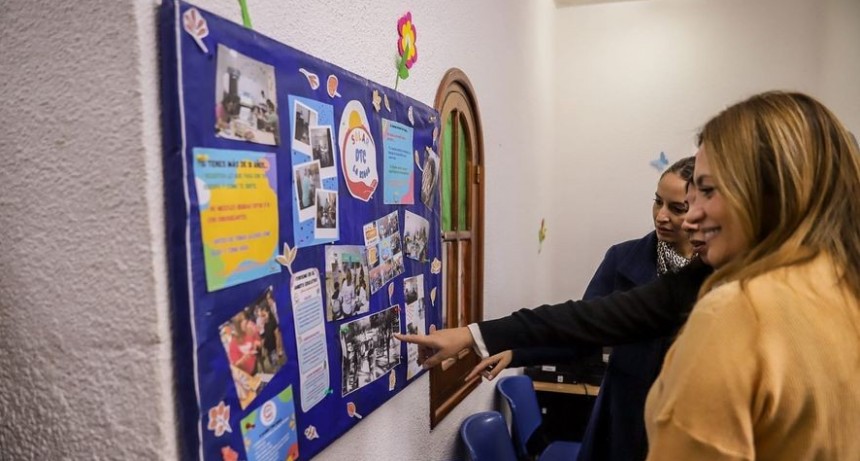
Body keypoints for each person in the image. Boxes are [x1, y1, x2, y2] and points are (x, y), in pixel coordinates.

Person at [399, 91, 860, 460]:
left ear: (771, 192)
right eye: (671, 202)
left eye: (706, 192)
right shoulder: (838, 290)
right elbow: (589, 317)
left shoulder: (736, 309)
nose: (687, 218)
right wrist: (482, 335)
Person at [473, 156, 696, 461]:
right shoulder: (622, 259)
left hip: (685, 421)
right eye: (658, 202)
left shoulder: (719, 271)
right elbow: (580, 329)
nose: (661, 216)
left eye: (676, 208)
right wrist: (518, 352)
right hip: (625, 416)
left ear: (699, 208)